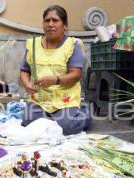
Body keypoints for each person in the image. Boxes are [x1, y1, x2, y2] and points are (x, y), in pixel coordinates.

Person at [20, 5, 90, 135]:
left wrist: (56, 80)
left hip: (64, 99)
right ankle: (54, 119)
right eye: (47, 20)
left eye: (55, 20)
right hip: (40, 99)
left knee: (67, 127)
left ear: (65, 25)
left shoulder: (71, 45)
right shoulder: (33, 44)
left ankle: (85, 112)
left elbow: (76, 74)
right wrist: (27, 84)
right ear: (43, 24)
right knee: (28, 122)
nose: (50, 24)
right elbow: (25, 70)